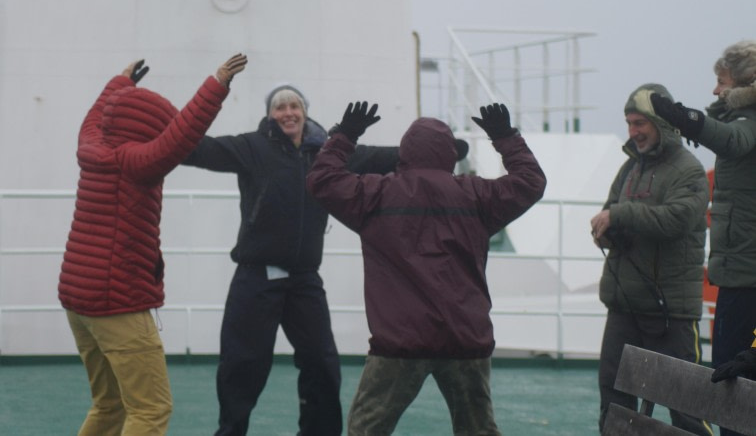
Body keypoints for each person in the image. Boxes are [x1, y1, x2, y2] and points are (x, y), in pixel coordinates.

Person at [306, 102, 546, 436]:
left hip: (400, 342)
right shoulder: (477, 196)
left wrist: (345, 135)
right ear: (450, 155)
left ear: (404, 153)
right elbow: (530, 182)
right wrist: (505, 137)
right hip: (464, 338)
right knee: (478, 430)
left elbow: (321, 180)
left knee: (366, 429)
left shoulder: (376, 194)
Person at [181, 85, 398, 436]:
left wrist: (433, 153)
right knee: (242, 366)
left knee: (323, 364)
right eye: (279, 107)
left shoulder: (327, 153)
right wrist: (155, 134)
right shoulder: (252, 147)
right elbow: (200, 150)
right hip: (255, 278)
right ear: (270, 115)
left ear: (305, 111)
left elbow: (376, 158)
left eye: (294, 105)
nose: (287, 112)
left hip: (304, 281)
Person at [58, 54, 247, 436]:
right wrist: (217, 84)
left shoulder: (91, 148)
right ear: (148, 129)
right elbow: (181, 137)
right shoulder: (137, 163)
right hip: (117, 301)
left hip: (77, 299)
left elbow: (93, 118)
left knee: (109, 405)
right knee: (150, 410)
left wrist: (119, 83)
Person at [590, 84, 712, 435]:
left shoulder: (689, 171)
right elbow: (611, 212)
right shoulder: (630, 168)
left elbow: (677, 220)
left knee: (686, 408)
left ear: (660, 122)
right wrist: (606, 229)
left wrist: (621, 216)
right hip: (624, 306)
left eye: (640, 122)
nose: (633, 131)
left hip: (670, 311)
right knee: (613, 402)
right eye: (629, 123)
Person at [650, 41, 756, 436]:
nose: (715, 90)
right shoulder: (741, 117)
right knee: (731, 375)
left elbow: (732, 140)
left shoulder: (750, 121)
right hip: (738, 270)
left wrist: (690, 120)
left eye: (721, 81)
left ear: (744, 82)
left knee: (734, 380)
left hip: (746, 276)